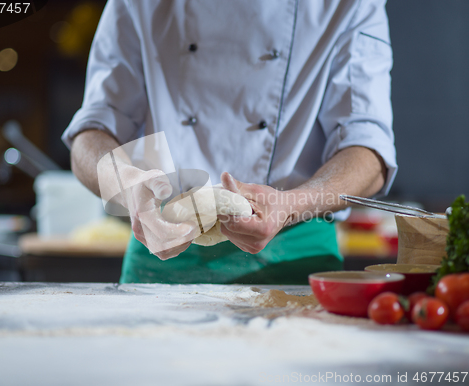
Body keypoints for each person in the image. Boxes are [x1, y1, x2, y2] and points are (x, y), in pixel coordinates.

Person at [62, 0, 397, 284]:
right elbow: (90, 136)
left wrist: (291, 205)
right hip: (159, 252)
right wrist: (128, 186)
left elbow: (368, 150)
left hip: (294, 257)